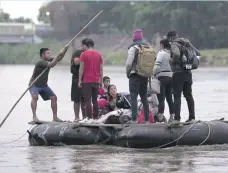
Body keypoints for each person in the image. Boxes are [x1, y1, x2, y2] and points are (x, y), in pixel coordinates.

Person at [166, 30, 201, 123]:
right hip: (188, 72)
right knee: (189, 95)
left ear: (170, 37)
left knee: (177, 96)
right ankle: (192, 117)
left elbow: (176, 54)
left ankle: (177, 119)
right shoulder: (186, 42)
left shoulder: (174, 44)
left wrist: (171, 60)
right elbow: (198, 53)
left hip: (178, 73)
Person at [29, 46, 69, 122]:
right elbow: (52, 65)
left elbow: (59, 59)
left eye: (50, 53)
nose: (50, 55)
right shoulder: (40, 62)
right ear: (42, 55)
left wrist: (65, 50)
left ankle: (55, 117)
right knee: (35, 97)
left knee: (54, 98)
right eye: (48, 53)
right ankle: (34, 116)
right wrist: (58, 55)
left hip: (43, 85)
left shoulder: (48, 60)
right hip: (34, 84)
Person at [126, 29, 156, 123]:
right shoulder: (148, 48)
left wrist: (128, 73)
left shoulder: (133, 48)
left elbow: (128, 64)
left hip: (135, 75)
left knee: (133, 96)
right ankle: (147, 119)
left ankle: (134, 119)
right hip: (145, 75)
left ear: (134, 38)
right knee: (144, 97)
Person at [78, 38, 103, 122]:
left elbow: (81, 69)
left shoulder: (83, 54)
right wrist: (101, 81)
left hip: (87, 80)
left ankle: (89, 118)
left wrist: (79, 80)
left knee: (87, 100)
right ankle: (96, 118)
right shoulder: (99, 55)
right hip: (96, 80)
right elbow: (101, 69)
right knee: (95, 100)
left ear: (85, 45)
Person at [153, 38, 174, 122]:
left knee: (161, 98)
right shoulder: (171, 54)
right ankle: (172, 116)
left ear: (162, 45)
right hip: (171, 77)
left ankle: (160, 116)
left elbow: (157, 66)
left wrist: (154, 73)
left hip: (162, 77)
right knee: (169, 98)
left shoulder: (161, 53)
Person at [70, 49, 85, 122]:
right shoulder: (77, 54)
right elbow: (75, 63)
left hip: (85, 79)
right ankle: (76, 117)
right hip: (76, 79)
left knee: (84, 99)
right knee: (76, 99)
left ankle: (85, 117)